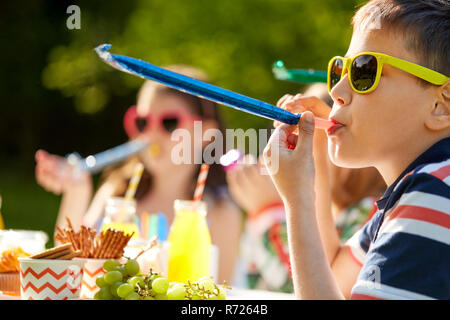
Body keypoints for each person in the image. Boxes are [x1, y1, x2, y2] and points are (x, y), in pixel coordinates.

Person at [264, 0, 449, 299]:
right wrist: (314, 162)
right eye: (341, 70)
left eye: (365, 70)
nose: (336, 91)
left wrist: (296, 200)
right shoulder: (424, 186)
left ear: (441, 106)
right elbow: (334, 277)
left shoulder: (433, 193)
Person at [35, 65, 243, 284]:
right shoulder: (116, 194)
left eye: (169, 122)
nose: (151, 134)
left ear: (206, 133)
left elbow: (218, 294)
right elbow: (66, 271)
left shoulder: (220, 212)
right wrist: (77, 192)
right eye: (143, 122)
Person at [226, 83, 385, 293]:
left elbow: (307, 282)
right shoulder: (322, 211)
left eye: (315, 139)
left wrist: (267, 212)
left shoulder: (370, 213)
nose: (301, 152)